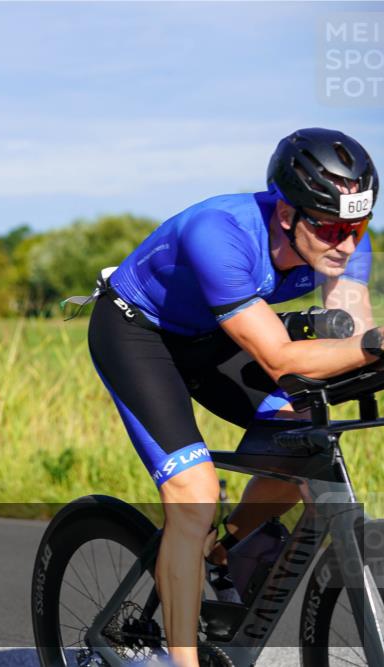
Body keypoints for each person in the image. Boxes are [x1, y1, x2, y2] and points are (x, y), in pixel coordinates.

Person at [86, 128, 379, 667]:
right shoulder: (219, 234)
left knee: (300, 445)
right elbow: (282, 359)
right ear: (287, 213)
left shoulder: (343, 244)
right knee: (193, 494)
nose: (345, 242)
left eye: (357, 226)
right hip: (139, 336)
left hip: (215, 337)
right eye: (332, 227)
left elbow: (351, 345)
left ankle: (222, 554)